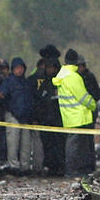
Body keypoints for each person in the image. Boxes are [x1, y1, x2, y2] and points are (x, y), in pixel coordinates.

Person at [54, 48, 97, 177]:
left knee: (74, 145)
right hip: (79, 116)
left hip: (69, 116)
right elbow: (82, 97)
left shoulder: (62, 75)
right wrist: (93, 105)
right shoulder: (73, 76)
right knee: (77, 146)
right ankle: (74, 170)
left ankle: (74, 169)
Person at [0, 57, 37, 173]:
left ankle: (25, 167)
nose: (19, 70)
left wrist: (33, 116)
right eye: (17, 68)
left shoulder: (27, 83)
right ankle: (13, 166)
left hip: (26, 117)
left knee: (26, 144)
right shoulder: (8, 82)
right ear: (13, 69)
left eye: (21, 68)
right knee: (12, 142)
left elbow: (31, 101)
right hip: (12, 116)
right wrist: (1, 97)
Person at [31, 48, 63, 176]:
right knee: (47, 144)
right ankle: (51, 166)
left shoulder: (59, 78)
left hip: (58, 117)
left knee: (59, 143)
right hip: (45, 117)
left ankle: (60, 166)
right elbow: (36, 99)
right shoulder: (40, 79)